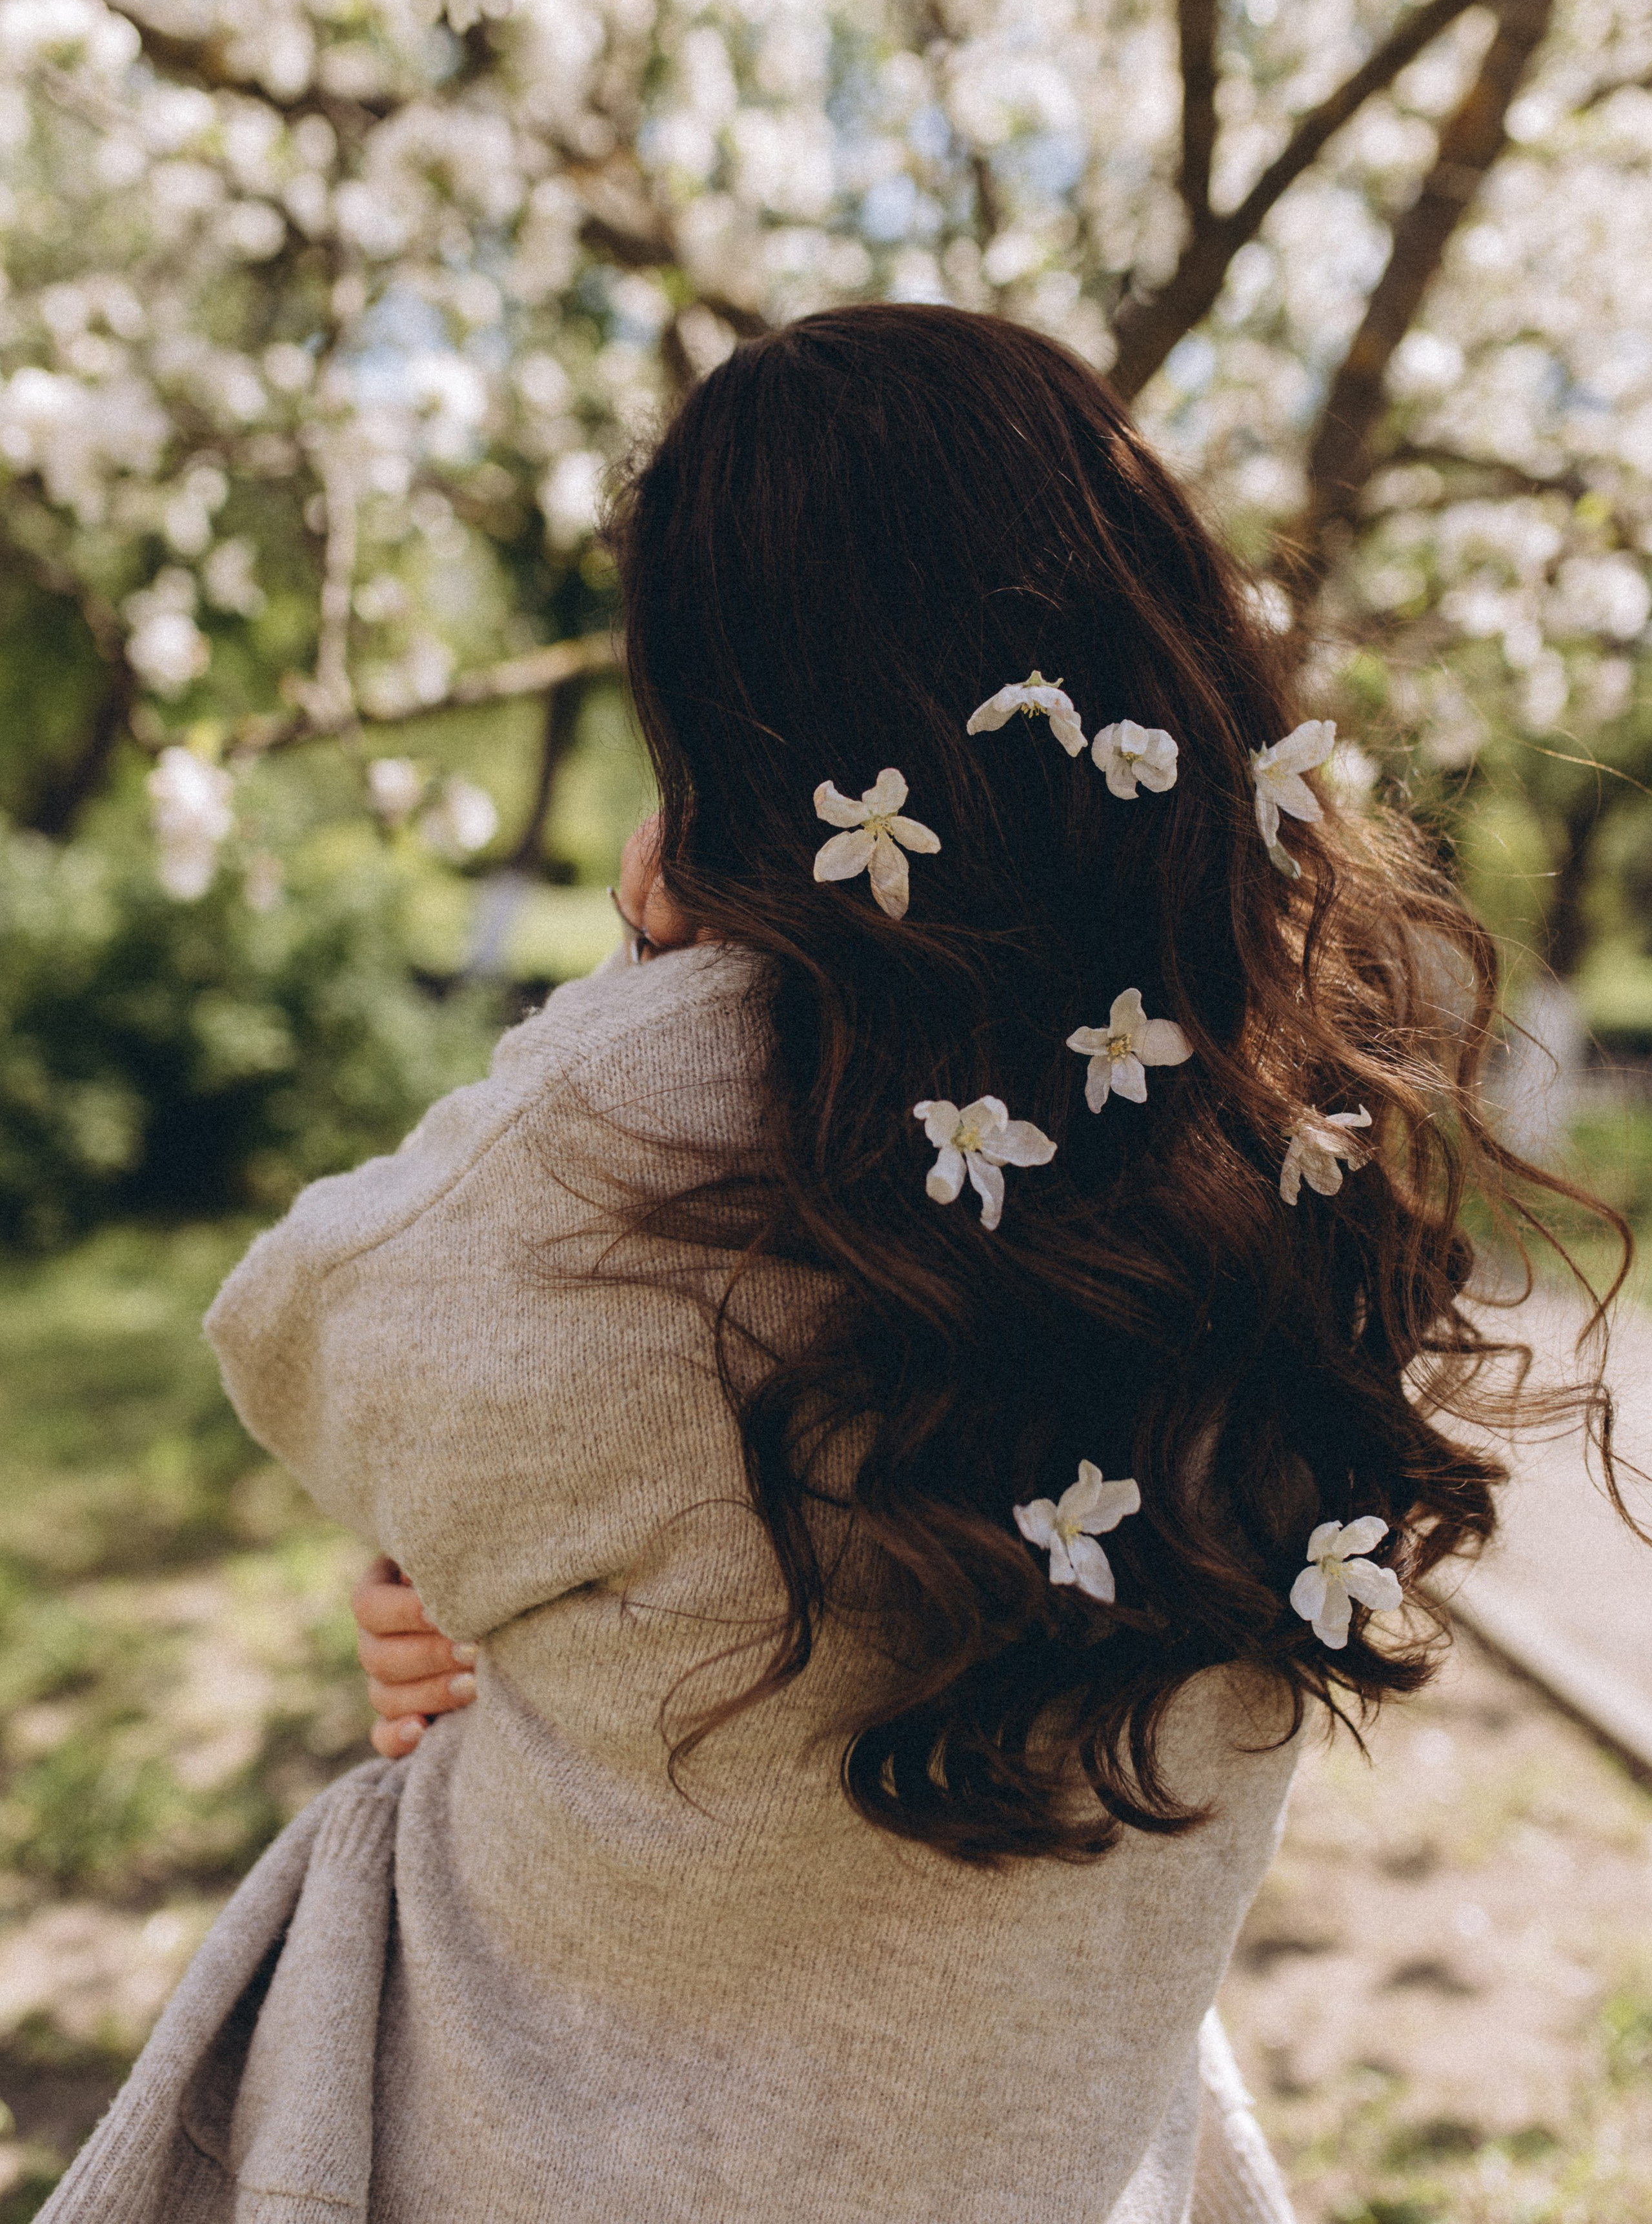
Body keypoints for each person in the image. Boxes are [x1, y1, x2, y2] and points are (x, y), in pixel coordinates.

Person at [41, 305, 1623, 2224]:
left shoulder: (650, 1121)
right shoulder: (1292, 1111)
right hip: (1036, 2153)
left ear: (726, 706)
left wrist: (649, 984)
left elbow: (302, 1333)